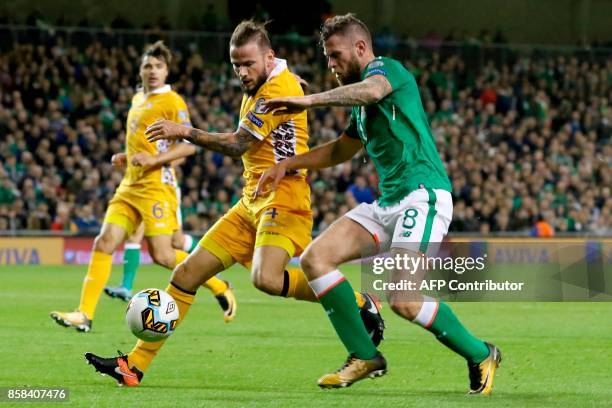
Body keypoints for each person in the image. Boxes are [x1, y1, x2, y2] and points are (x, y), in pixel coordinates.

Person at [84, 21, 384, 387]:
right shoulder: (271, 77)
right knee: (185, 275)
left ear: (268, 58)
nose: (241, 73)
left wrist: (186, 132)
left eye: (247, 64)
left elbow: (237, 144)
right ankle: (133, 366)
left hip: (285, 197)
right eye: (235, 65)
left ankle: (357, 302)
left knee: (266, 279)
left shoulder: (277, 86)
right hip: (250, 201)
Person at [255, 14, 502, 394]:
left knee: (403, 299)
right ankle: (364, 355)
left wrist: (307, 101)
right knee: (315, 259)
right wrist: (288, 164)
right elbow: (341, 149)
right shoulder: (359, 105)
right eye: (326, 57)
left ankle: (480, 352)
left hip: (423, 195)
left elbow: (371, 91)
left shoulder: (387, 72)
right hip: (388, 203)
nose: (330, 64)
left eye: (335, 55)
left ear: (359, 48)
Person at [50, 41, 236, 332]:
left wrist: (155, 160)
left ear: (166, 71)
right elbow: (142, 143)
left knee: (163, 254)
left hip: (155, 187)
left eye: (159, 66)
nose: (153, 71)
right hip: (129, 185)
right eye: (148, 66)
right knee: (104, 242)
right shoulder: (138, 99)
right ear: (140, 70)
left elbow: (188, 149)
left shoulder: (172, 101)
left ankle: (219, 285)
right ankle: (83, 314)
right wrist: (126, 156)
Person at [102, 151, 236, 322]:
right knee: (136, 237)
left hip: (162, 190)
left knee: (175, 243)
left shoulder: (165, 127)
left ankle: (212, 274)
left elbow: (183, 150)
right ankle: (126, 286)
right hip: (140, 189)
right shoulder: (138, 131)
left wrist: (158, 162)